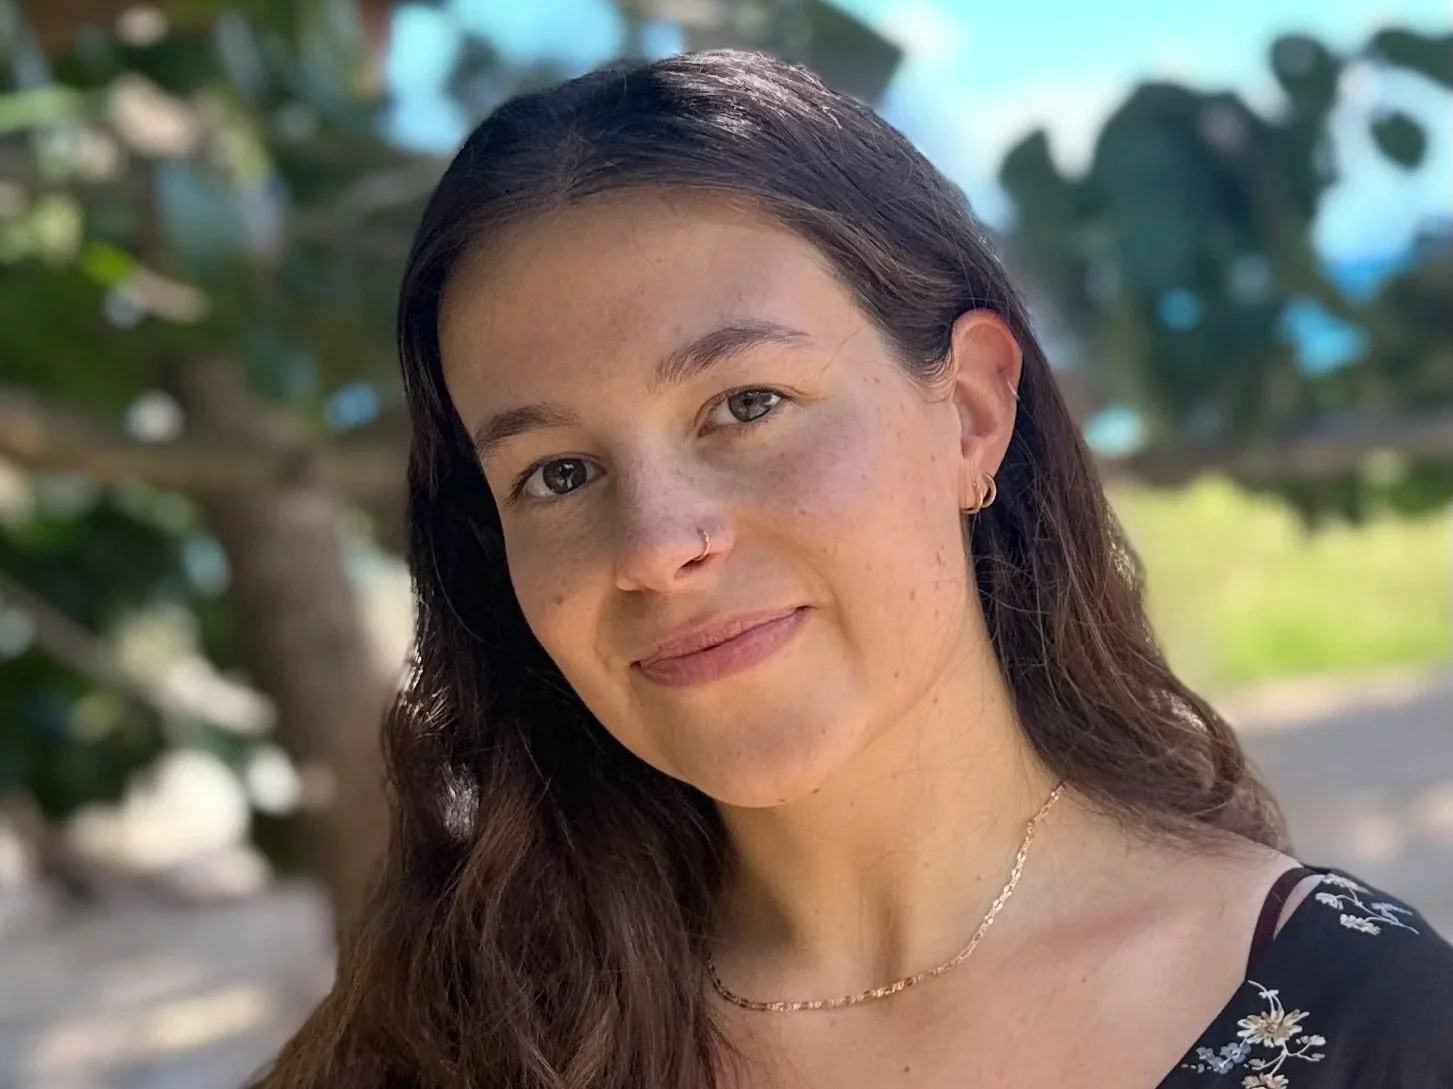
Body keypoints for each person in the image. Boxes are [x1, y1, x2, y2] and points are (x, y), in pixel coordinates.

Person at [254, 50, 1453, 1089]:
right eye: (557, 475)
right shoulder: (446, 1039)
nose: (657, 548)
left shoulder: (1368, 1029)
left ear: (973, 411)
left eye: (747, 403)